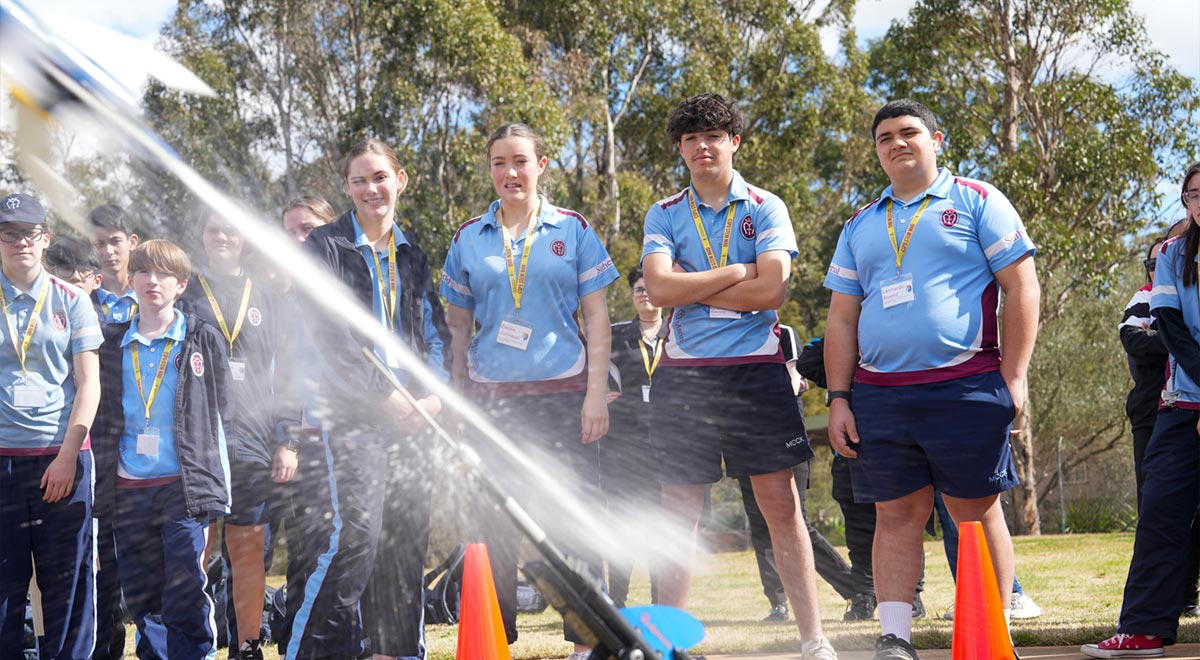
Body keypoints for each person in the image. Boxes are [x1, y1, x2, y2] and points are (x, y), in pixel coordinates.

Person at [823, 99, 1039, 659]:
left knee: (974, 512)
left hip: (964, 385)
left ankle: (992, 637)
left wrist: (1013, 375)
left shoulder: (978, 200)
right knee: (895, 515)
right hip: (880, 395)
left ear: (936, 139)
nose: (896, 143)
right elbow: (842, 318)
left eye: (908, 132)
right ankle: (895, 637)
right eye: (884, 137)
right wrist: (839, 398)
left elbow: (1023, 288)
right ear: (876, 151)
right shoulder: (860, 224)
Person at [639, 93, 836, 659]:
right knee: (679, 515)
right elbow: (658, 289)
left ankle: (814, 640)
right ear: (681, 149)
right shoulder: (664, 212)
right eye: (691, 139)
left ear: (734, 142)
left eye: (714, 136)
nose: (703, 147)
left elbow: (772, 288)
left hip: (756, 372)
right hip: (685, 377)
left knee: (782, 509)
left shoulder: (767, 206)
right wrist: (733, 272)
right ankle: (668, 647)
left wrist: (693, 281)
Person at [441, 122, 618, 659]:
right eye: (499, 162)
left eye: (520, 161)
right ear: (489, 169)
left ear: (541, 166)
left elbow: (598, 316)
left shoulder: (574, 229)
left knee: (569, 514)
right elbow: (455, 331)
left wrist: (594, 394)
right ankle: (497, 637)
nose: (509, 173)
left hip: (564, 394)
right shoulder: (468, 238)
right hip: (491, 403)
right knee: (492, 518)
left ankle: (586, 640)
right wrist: (455, 400)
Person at [287, 138, 450, 660]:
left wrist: (436, 400)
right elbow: (330, 337)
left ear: (399, 180)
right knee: (357, 535)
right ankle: (309, 654)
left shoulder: (414, 254)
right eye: (359, 180)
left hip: (417, 416)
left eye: (379, 176)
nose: (370, 188)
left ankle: (394, 652)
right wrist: (386, 398)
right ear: (348, 188)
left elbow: (436, 336)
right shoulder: (326, 248)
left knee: (405, 541)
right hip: (359, 415)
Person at [92, 239, 231, 660]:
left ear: (181, 284)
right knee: (142, 592)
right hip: (129, 486)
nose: (153, 281)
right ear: (131, 279)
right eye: (144, 272)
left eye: (164, 274)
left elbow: (222, 409)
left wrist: (219, 482)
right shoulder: (111, 343)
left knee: (187, 585)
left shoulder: (200, 336)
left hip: (183, 486)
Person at [1083, 162, 1200, 657]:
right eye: (1193, 193)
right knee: (1160, 514)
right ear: (1186, 203)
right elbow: (1169, 328)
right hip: (1180, 408)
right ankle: (1144, 629)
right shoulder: (1172, 255)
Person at [179, 210, 292, 660]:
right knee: (198, 549)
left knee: (247, 549)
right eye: (213, 230)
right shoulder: (186, 293)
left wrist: (287, 439)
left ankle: (247, 645)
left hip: (254, 443)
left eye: (231, 230)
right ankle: (197, 644)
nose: (222, 236)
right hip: (203, 443)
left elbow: (286, 377)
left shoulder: (267, 295)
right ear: (202, 237)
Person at [0, 193, 102, 660]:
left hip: (62, 463)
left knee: (68, 590)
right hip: (3, 465)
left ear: (46, 239)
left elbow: (88, 385)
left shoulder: (73, 300)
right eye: (9, 232)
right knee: (5, 594)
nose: (21, 241)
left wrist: (66, 457)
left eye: (30, 232)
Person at [42, 234, 128, 658]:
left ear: (96, 280)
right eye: (60, 276)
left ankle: (106, 645)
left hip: (105, 461)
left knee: (101, 565)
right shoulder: (41, 321)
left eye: (79, 278)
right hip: (48, 455)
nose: (70, 286)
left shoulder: (115, 333)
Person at [737, 324, 860, 623]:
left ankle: (855, 590)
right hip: (743, 438)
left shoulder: (785, 332)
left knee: (797, 524)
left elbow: (794, 381)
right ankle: (778, 603)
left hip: (784, 438)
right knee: (761, 528)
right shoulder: (730, 333)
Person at [601, 268, 662, 609]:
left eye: (651, 287)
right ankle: (617, 604)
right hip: (623, 449)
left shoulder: (680, 333)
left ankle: (660, 603)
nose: (645, 294)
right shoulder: (614, 335)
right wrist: (597, 394)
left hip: (665, 449)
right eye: (639, 289)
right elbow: (588, 365)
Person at [89, 203, 140, 324]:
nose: (108, 251)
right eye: (99, 244)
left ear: (132, 242)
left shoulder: (150, 293)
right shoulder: (84, 297)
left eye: (115, 241)